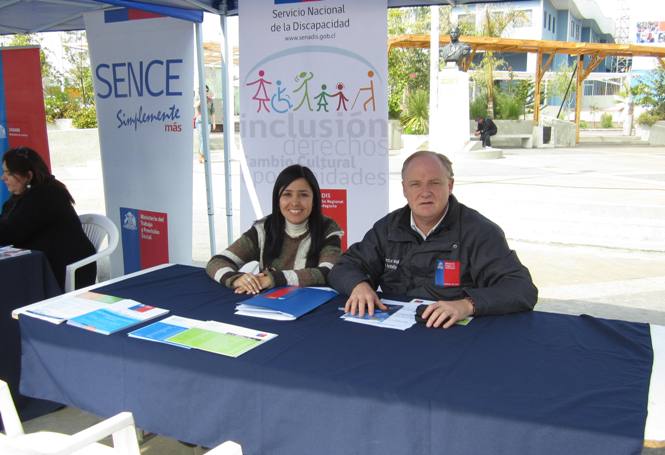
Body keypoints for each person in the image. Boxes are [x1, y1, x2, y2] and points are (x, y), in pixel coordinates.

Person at [328, 150, 537, 329]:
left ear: (450, 185)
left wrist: (467, 305)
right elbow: (344, 266)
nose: (425, 192)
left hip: (454, 336)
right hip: (397, 332)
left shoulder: (480, 232)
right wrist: (358, 285)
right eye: (415, 184)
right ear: (404, 189)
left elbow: (521, 288)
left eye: (434, 183)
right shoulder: (388, 227)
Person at [206, 164, 344, 294]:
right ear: (277, 200)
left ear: (315, 200)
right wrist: (236, 279)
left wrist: (273, 279)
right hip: (266, 307)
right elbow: (217, 262)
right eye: (287, 194)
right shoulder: (263, 229)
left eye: (303, 195)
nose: (295, 202)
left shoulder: (328, 229)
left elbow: (329, 272)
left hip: (313, 308)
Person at [0, 147, 96, 291]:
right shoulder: (21, 196)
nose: (3, 178)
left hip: (65, 269)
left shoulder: (46, 195)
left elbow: (10, 234)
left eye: (9, 173)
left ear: (28, 176)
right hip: (41, 264)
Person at [195, 84, 216, 163]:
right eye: (203, 91)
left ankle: (200, 155)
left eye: (206, 90)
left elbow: (213, 112)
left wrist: (214, 123)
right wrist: (202, 99)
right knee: (202, 140)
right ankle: (202, 157)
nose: (205, 92)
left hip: (208, 122)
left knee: (205, 140)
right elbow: (195, 106)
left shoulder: (210, 100)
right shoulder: (197, 98)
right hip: (199, 122)